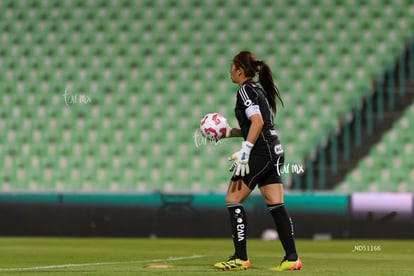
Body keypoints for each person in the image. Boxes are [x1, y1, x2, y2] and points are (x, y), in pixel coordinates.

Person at [213, 51, 302, 271]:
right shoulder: (257, 90)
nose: (229, 71)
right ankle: (292, 258)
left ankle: (240, 258)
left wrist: (246, 150)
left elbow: (257, 122)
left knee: (232, 199)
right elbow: (255, 125)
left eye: (232, 67)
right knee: (276, 205)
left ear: (240, 70)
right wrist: (227, 133)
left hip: (261, 152)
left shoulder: (244, 90)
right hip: (275, 150)